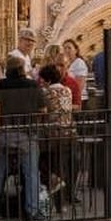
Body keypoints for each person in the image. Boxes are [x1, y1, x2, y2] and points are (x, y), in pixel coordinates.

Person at [0, 60, 47, 221]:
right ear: (22, 69)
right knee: (31, 172)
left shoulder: (1, 85)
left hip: (6, 133)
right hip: (27, 134)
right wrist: (35, 123)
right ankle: (32, 211)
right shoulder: (33, 85)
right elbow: (43, 110)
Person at [38, 63, 75, 204]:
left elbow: (43, 112)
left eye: (42, 80)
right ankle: (62, 200)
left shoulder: (46, 92)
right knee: (61, 165)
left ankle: (53, 185)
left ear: (47, 80)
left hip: (52, 134)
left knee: (41, 160)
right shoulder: (67, 90)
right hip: (69, 133)